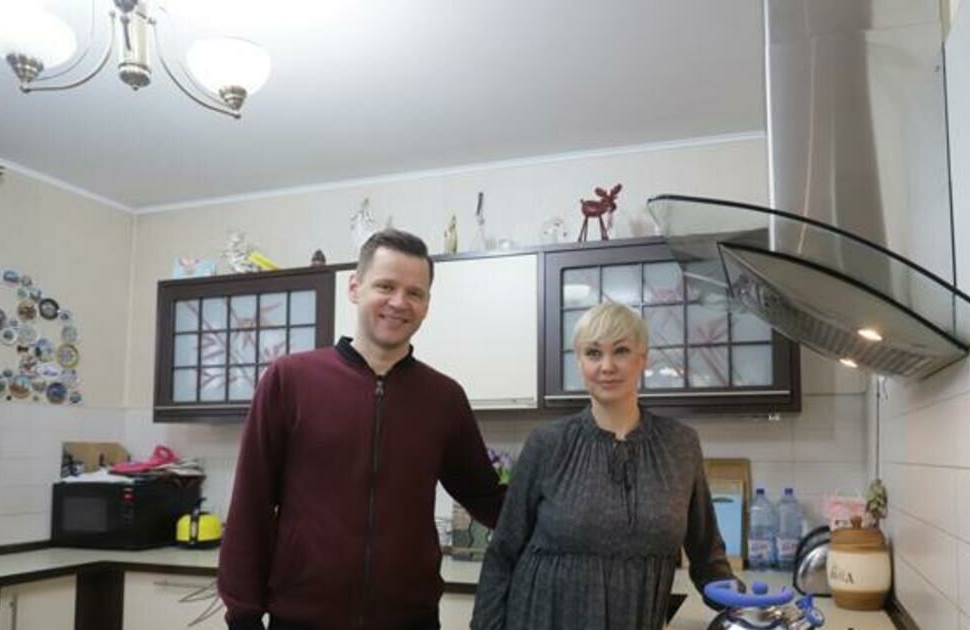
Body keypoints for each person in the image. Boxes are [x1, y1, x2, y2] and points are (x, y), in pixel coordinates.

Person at [219, 228, 506, 630]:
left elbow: (487, 497)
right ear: (355, 288)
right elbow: (252, 501)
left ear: (426, 305)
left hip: (411, 620)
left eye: (415, 293)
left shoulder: (444, 398)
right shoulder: (290, 380)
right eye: (385, 286)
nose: (399, 302)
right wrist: (243, 615)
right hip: (303, 619)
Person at [470, 302, 735, 630]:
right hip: (540, 618)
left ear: (643, 358)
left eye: (621, 351)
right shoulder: (547, 443)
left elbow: (707, 555)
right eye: (593, 353)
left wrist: (741, 601)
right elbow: (503, 551)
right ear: (579, 362)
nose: (607, 366)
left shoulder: (680, 445)